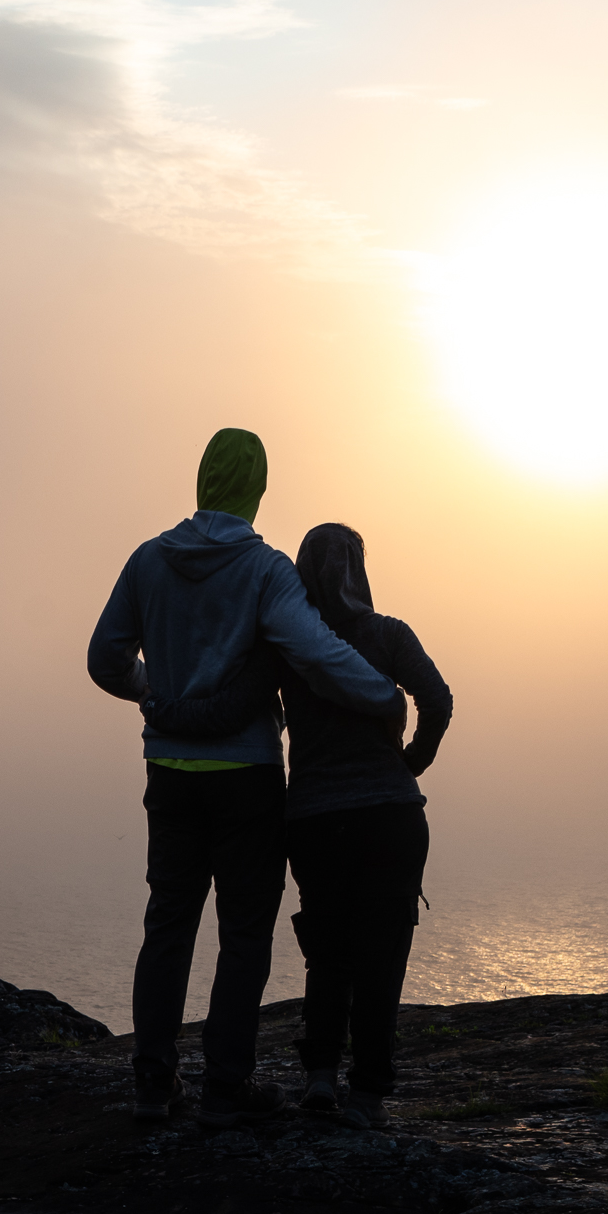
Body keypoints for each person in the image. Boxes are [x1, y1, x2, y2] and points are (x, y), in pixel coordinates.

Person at [87, 433, 404, 1130]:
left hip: (169, 772)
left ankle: (152, 1083)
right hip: (247, 777)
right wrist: (384, 694)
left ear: (203, 478)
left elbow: (104, 658)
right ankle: (226, 1086)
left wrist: (152, 692)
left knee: (168, 925)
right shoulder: (265, 570)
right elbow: (317, 652)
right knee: (244, 933)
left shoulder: (148, 561)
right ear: (256, 488)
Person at [143, 522, 452, 1128]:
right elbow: (436, 700)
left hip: (313, 821)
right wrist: (409, 763)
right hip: (390, 818)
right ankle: (367, 1095)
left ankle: (320, 1077)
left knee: (327, 951)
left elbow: (235, 706)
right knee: (382, 956)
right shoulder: (390, 635)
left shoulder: (286, 646)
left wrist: (166, 709)